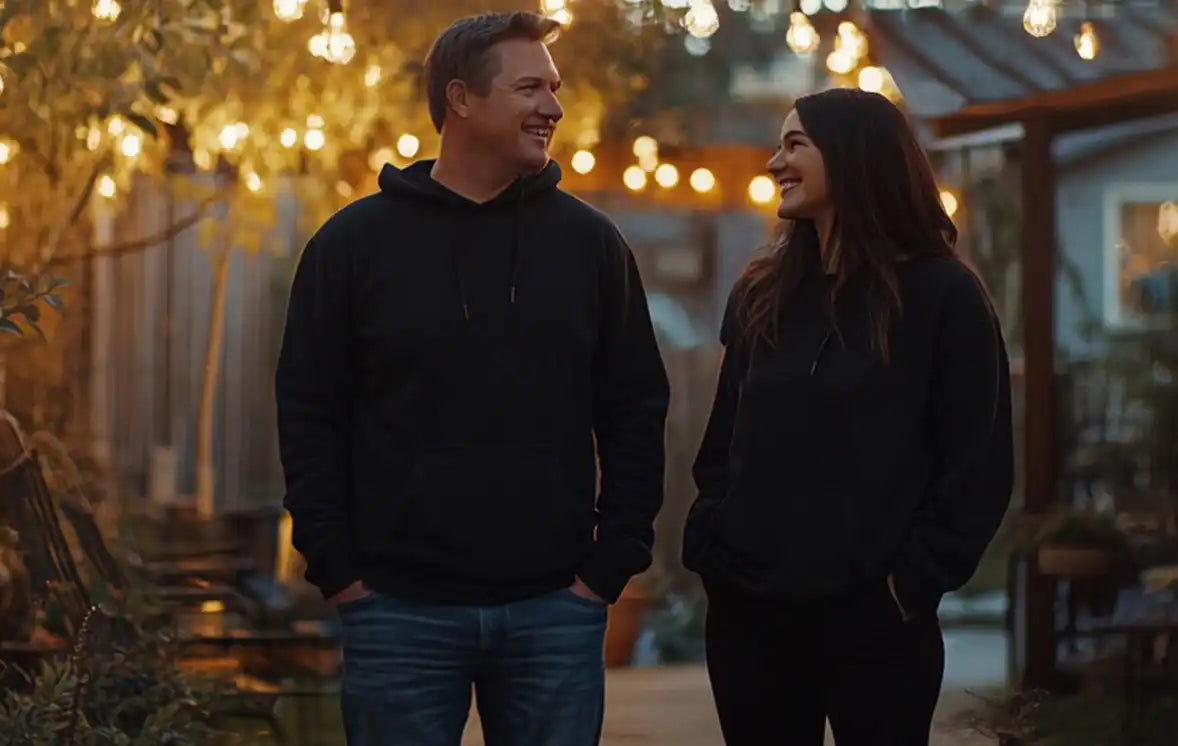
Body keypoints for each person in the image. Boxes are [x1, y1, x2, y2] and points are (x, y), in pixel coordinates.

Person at [274, 10, 670, 746]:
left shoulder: (589, 247)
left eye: (553, 88)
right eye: (529, 87)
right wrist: (338, 570)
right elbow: (307, 413)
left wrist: (607, 569)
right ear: (460, 99)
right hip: (396, 609)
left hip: (556, 608)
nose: (553, 106)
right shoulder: (352, 246)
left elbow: (636, 411)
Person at [681, 87, 1015, 746]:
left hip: (875, 620)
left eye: (794, 145)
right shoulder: (762, 293)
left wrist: (907, 586)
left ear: (855, 157)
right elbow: (723, 441)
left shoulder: (942, 297)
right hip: (752, 615)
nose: (775, 163)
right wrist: (715, 547)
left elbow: (976, 465)